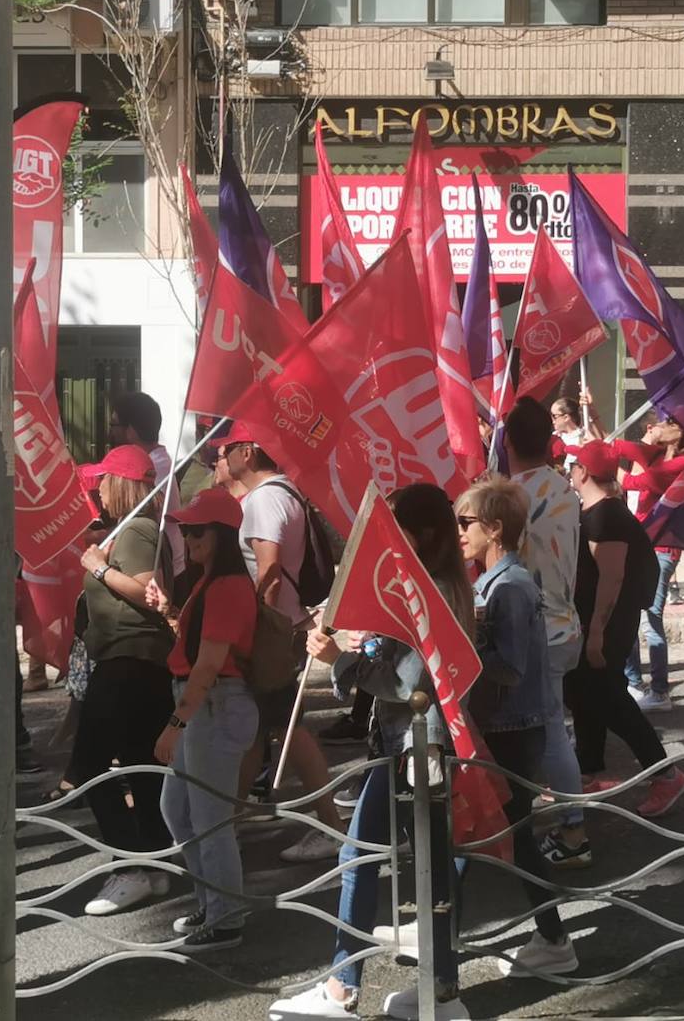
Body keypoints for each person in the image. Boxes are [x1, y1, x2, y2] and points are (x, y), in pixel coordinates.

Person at [266, 483, 470, 1021]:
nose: (386, 538)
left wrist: (342, 660)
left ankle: (343, 987)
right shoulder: (423, 585)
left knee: (364, 859)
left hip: (416, 747)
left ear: (422, 533)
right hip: (405, 746)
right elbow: (390, 670)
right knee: (428, 870)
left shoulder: (436, 591)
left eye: (396, 526)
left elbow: (410, 685)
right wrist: (347, 649)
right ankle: (440, 989)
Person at [455, 477, 578, 979]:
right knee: (500, 834)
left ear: (494, 528)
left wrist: (464, 650)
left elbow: (511, 666)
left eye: (465, 523)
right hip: (507, 725)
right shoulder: (495, 582)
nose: (458, 532)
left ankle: (551, 936)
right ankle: (551, 935)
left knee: (498, 833)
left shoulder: (509, 586)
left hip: (511, 727)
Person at [217, 423, 344, 863]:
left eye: (227, 449)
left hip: (272, 629)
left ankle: (330, 825)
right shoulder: (286, 493)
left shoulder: (262, 500)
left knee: (287, 726)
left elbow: (268, 571)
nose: (222, 457)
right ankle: (226, 824)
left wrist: (254, 627)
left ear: (248, 452)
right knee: (267, 727)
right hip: (285, 624)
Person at [146, 487, 259, 952]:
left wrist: (175, 724)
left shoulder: (228, 584)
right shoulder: (210, 582)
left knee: (208, 818)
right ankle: (214, 906)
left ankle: (226, 916)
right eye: (185, 530)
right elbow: (201, 653)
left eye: (197, 531)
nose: (188, 538)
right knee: (181, 812)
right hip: (206, 703)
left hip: (214, 704)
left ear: (223, 535)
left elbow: (210, 665)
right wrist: (172, 613)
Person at [72, 444, 177, 916]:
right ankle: (154, 864)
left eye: (102, 480)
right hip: (135, 662)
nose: (96, 488)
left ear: (121, 484)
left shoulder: (136, 528)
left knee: (90, 765)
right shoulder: (135, 528)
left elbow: (149, 593)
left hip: (128, 662)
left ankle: (130, 865)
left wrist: (99, 567)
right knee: (139, 765)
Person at [564, 441, 684, 818]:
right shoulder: (595, 511)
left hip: (607, 622)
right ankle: (586, 773)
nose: (570, 472)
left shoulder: (606, 516)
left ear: (583, 472)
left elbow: (612, 578)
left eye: (573, 466)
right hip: (596, 620)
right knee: (582, 691)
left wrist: (598, 633)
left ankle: (666, 775)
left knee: (610, 699)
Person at [502, 396, 589, 867]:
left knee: (550, 733)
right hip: (563, 624)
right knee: (549, 731)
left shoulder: (508, 495)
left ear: (509, 441)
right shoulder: (563, 486)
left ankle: (574, 832)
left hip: (533, 629)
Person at [611, 414, 684, 712]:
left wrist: (603, 460)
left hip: (661, 549)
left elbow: (633, 482)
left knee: (651, 618)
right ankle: (635, 682)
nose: (656, 425)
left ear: (680, 432)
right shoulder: (660, 454)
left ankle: (660, 691)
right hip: (642, 545)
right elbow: (631, 449)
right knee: (631, 615)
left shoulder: (682, 464)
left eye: (667, 421)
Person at [110, 391, 185, 578]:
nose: (110, 431)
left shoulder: (151, 469)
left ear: (131, 431)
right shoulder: (155, 461)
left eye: (113, 425)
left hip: (158, 576)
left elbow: (137, 521)